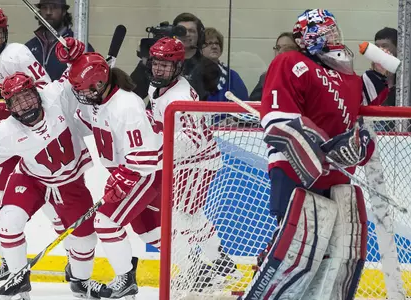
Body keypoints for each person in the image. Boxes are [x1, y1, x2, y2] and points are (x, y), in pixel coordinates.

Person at [242, 9, 382, 299]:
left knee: (330, 249)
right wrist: (324, 148)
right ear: (310, 38)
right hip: (295, 166)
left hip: (333, 175)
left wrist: (357, 146)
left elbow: (357, 115)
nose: (335, 38)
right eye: (328, 33)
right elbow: (278, 120)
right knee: (296, 246)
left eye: (335, 32)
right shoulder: (291, 62)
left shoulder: (348, 78)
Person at [0, 60, 107, 298]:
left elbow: (77, 74)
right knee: (7, 223)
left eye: (28, 97)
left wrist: (76, 55)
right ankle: (18, 278)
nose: (25, 104)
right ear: (9, 107)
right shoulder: (6, 131)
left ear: (36, 93)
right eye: (17, 102)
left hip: (70, 182)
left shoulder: (55, 96)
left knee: (85, 240)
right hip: (31, 179)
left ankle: (80, 281)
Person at [0, 6, 67, 290]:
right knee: (0, 206)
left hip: (37, 138)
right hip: (6, 141)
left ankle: (76, 260)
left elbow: (46, 92)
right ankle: (10, 266)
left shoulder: (18, 54)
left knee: (54, 207)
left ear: (5, 33)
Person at [56, 38, 163, 299]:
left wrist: (124, 180)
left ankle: (125, 281)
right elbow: (78, 117)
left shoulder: (126, 106)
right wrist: (73, 61)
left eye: (83, 89)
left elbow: (144, 157)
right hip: (129, 173)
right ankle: (204, 264)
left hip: (142, 173)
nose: (80, 95)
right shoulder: (98, 101)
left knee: (105, 223)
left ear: (99, 85)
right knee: (152, 233)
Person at [146, 37, 238, 292]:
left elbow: (193, 140)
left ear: (177, 67)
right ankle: (221, 263)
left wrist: (159, 146)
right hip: (184, 163)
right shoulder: (157, 88)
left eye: (165, 65)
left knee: (177, 219)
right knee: (192, 217)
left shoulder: (181, 95)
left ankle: (192, 272)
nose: (158, 69)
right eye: (156, 63)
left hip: (196, 163)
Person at [25, 0, 95, 81]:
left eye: (54, 7)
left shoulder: (78, 47)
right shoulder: (29, 47)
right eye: (44, 7)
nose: (48, 12)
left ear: (64, 11)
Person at [200, 27, 248, 101]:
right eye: (209, 43)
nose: (214, 46)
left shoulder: (232, 76)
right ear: (199, 48)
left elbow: (243, 104)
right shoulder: (193, 74)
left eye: (217, 43)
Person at [249, 32, 299, 101]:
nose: (280, 52)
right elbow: (252, 105)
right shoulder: (266, 77)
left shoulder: (306, 77)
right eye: (278, 48)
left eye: (286, 48)